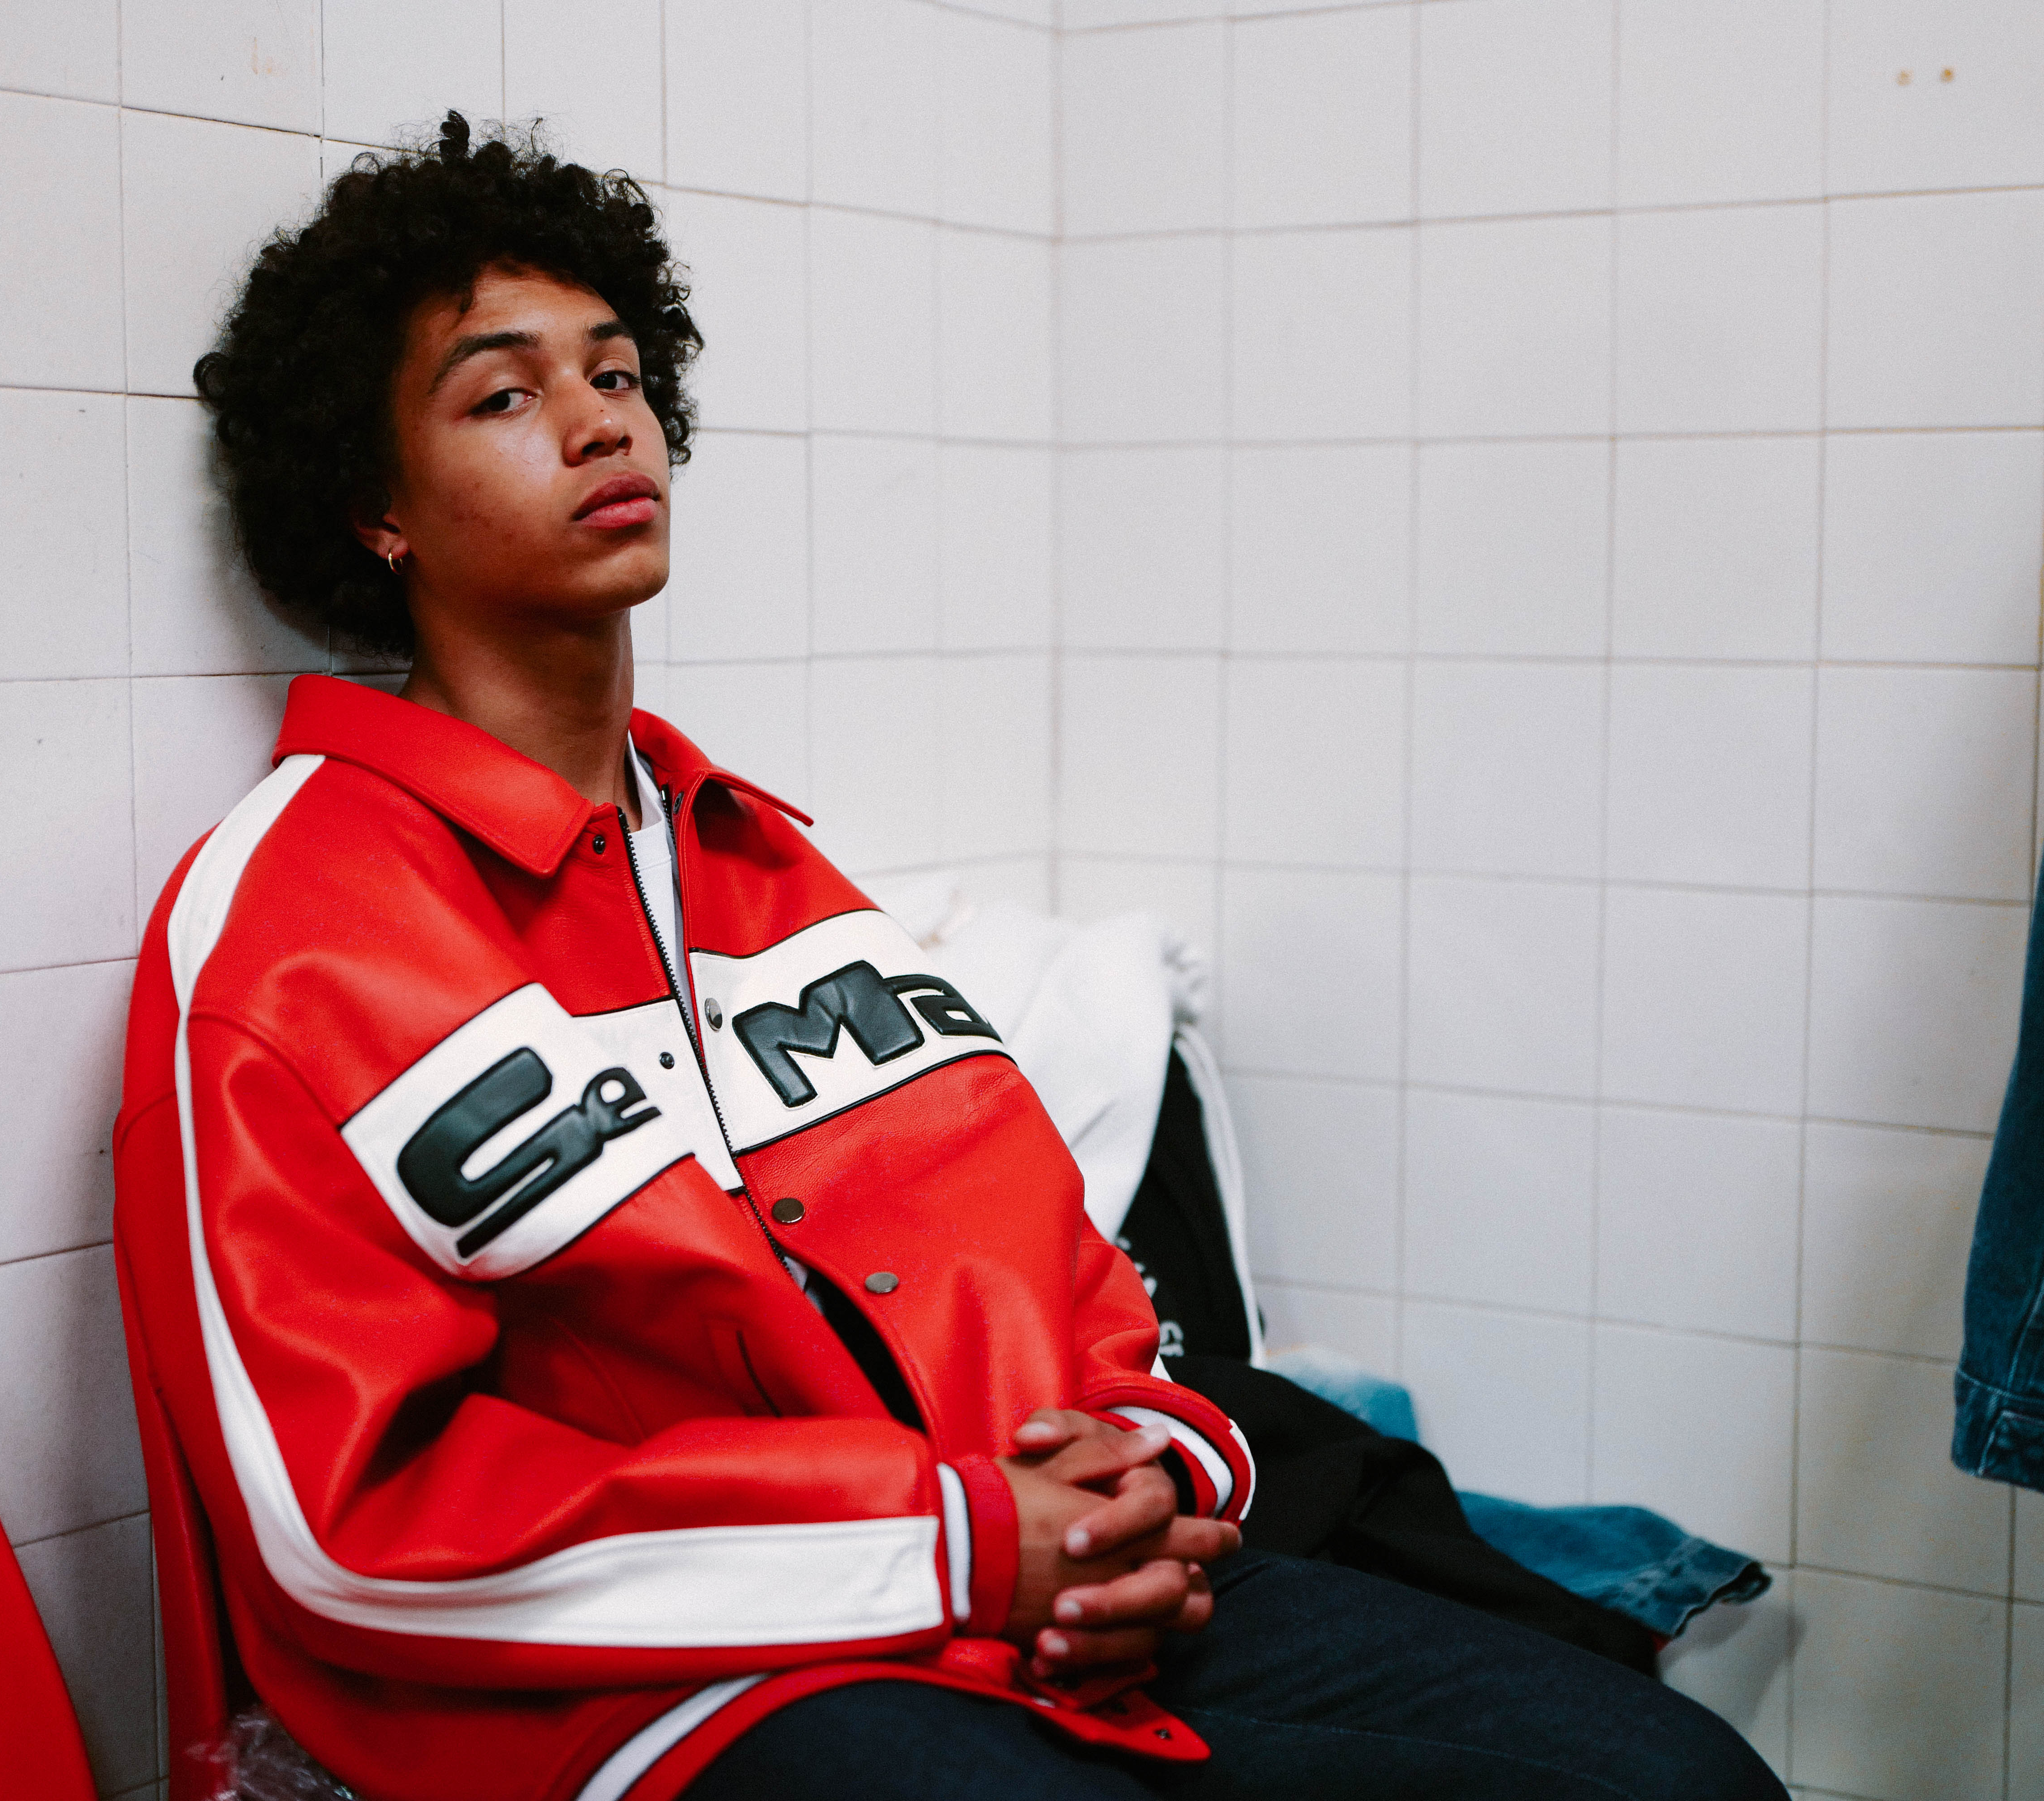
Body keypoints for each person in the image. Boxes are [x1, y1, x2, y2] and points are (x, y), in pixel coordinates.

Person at [112, 114, 1785, 1801]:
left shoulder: (761, 867)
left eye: (616, 373)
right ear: (374, 509)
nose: (600, 419)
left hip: (1019, 1603)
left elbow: (1064, 1268)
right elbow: (343, 1534)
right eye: (503, 394)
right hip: (662, 1699)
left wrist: (1147, 1475)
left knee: (1681, 1779)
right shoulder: (294, 928)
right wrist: (959, 1545)